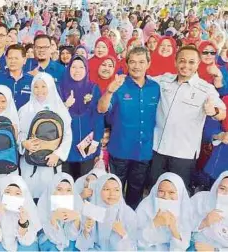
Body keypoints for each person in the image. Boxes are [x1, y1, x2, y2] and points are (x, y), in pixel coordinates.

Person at [150, 46, 227, 190]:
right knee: (155, 190)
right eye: (182, 61)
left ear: (198, 64)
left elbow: (222, 112)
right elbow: (143, 81)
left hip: (184, 154)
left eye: (191, 62)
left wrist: (213, 111)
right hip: (158, 149)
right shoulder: (164, 80)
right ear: (175, 62)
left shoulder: (205, 88)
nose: (186, 66)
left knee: (178, 194)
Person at [97, 47, 160, 209]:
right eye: (132, 62)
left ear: (149, 64)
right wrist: (109, 91)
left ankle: (131, 224)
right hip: (119, 150)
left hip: (143, 151)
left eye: (141, 62)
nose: (136, 66)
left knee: (136, 192)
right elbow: (101, 109)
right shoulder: (118, 86)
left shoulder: (156, 87)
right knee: (113, 192)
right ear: (126, 64)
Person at [18, 73, 72, 199]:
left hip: (51, 163)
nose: (39, 90)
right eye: (36, 87)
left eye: (44, 86)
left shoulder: (59, 109)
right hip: (29, 164)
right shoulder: (24, 109)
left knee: (50, 197)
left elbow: (67, 135)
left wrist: (58, 154)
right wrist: (23, 143)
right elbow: (19, 133)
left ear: (50, 87)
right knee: (29, 198)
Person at [60, 55, 104, 180]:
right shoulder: (60, 89)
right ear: (68, 69)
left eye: (81, 67)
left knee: (85, 184)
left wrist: (96, 141)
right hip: (66, 146)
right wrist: (65, 106)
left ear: (86, 70)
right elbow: (56, 117)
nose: (77, 70)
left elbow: (98, 117)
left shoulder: (93, 88)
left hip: (87, 146)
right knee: (66, 183)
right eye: (73, 67)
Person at [0, 175, 41, 251]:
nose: (12, 196)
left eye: (17, 193)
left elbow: (26, 240)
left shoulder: (27, 207)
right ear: (1, 193)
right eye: (7, 192)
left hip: (21, 239)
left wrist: (23, 222)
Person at [76, 174, 137, 250]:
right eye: (106, 189)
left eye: (116, 190)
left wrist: (123, 234)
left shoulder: (129, 214)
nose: (112, 194)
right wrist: (86, 232)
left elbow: (134, 247)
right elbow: (82, 246)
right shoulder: (90, 211)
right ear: (98, 190)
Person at [136, 172, 192, 251]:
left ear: (179, 193)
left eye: (171, 192)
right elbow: (135, 239)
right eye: (161, 191)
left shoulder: (184, 211)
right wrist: (154, 224)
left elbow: (182, 247)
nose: (165, 197)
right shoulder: (145, 206)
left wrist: (173, 228)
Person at [37, 173, 82, 251]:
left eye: (68, 190)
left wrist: (77, 218)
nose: (64, 194)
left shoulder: (77, 204)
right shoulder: (44, 205)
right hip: (49, 242)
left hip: (71, 244)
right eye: (59, 189)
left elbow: (73, 236)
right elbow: (50, 235)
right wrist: (53, 218)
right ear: (52, 190)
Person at [191, 171, 228, 251]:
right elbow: (180, 223)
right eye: (222, 188)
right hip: (191, 245)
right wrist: (203, 222)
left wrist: (215, 250)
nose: (225, 194)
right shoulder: (201, 199)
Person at [0, 44, 33, 109]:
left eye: (16, 58)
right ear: (6, 59)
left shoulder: (31, 80)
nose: (12, 61)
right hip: (2, 118)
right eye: (10, 58)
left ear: (24, 60)